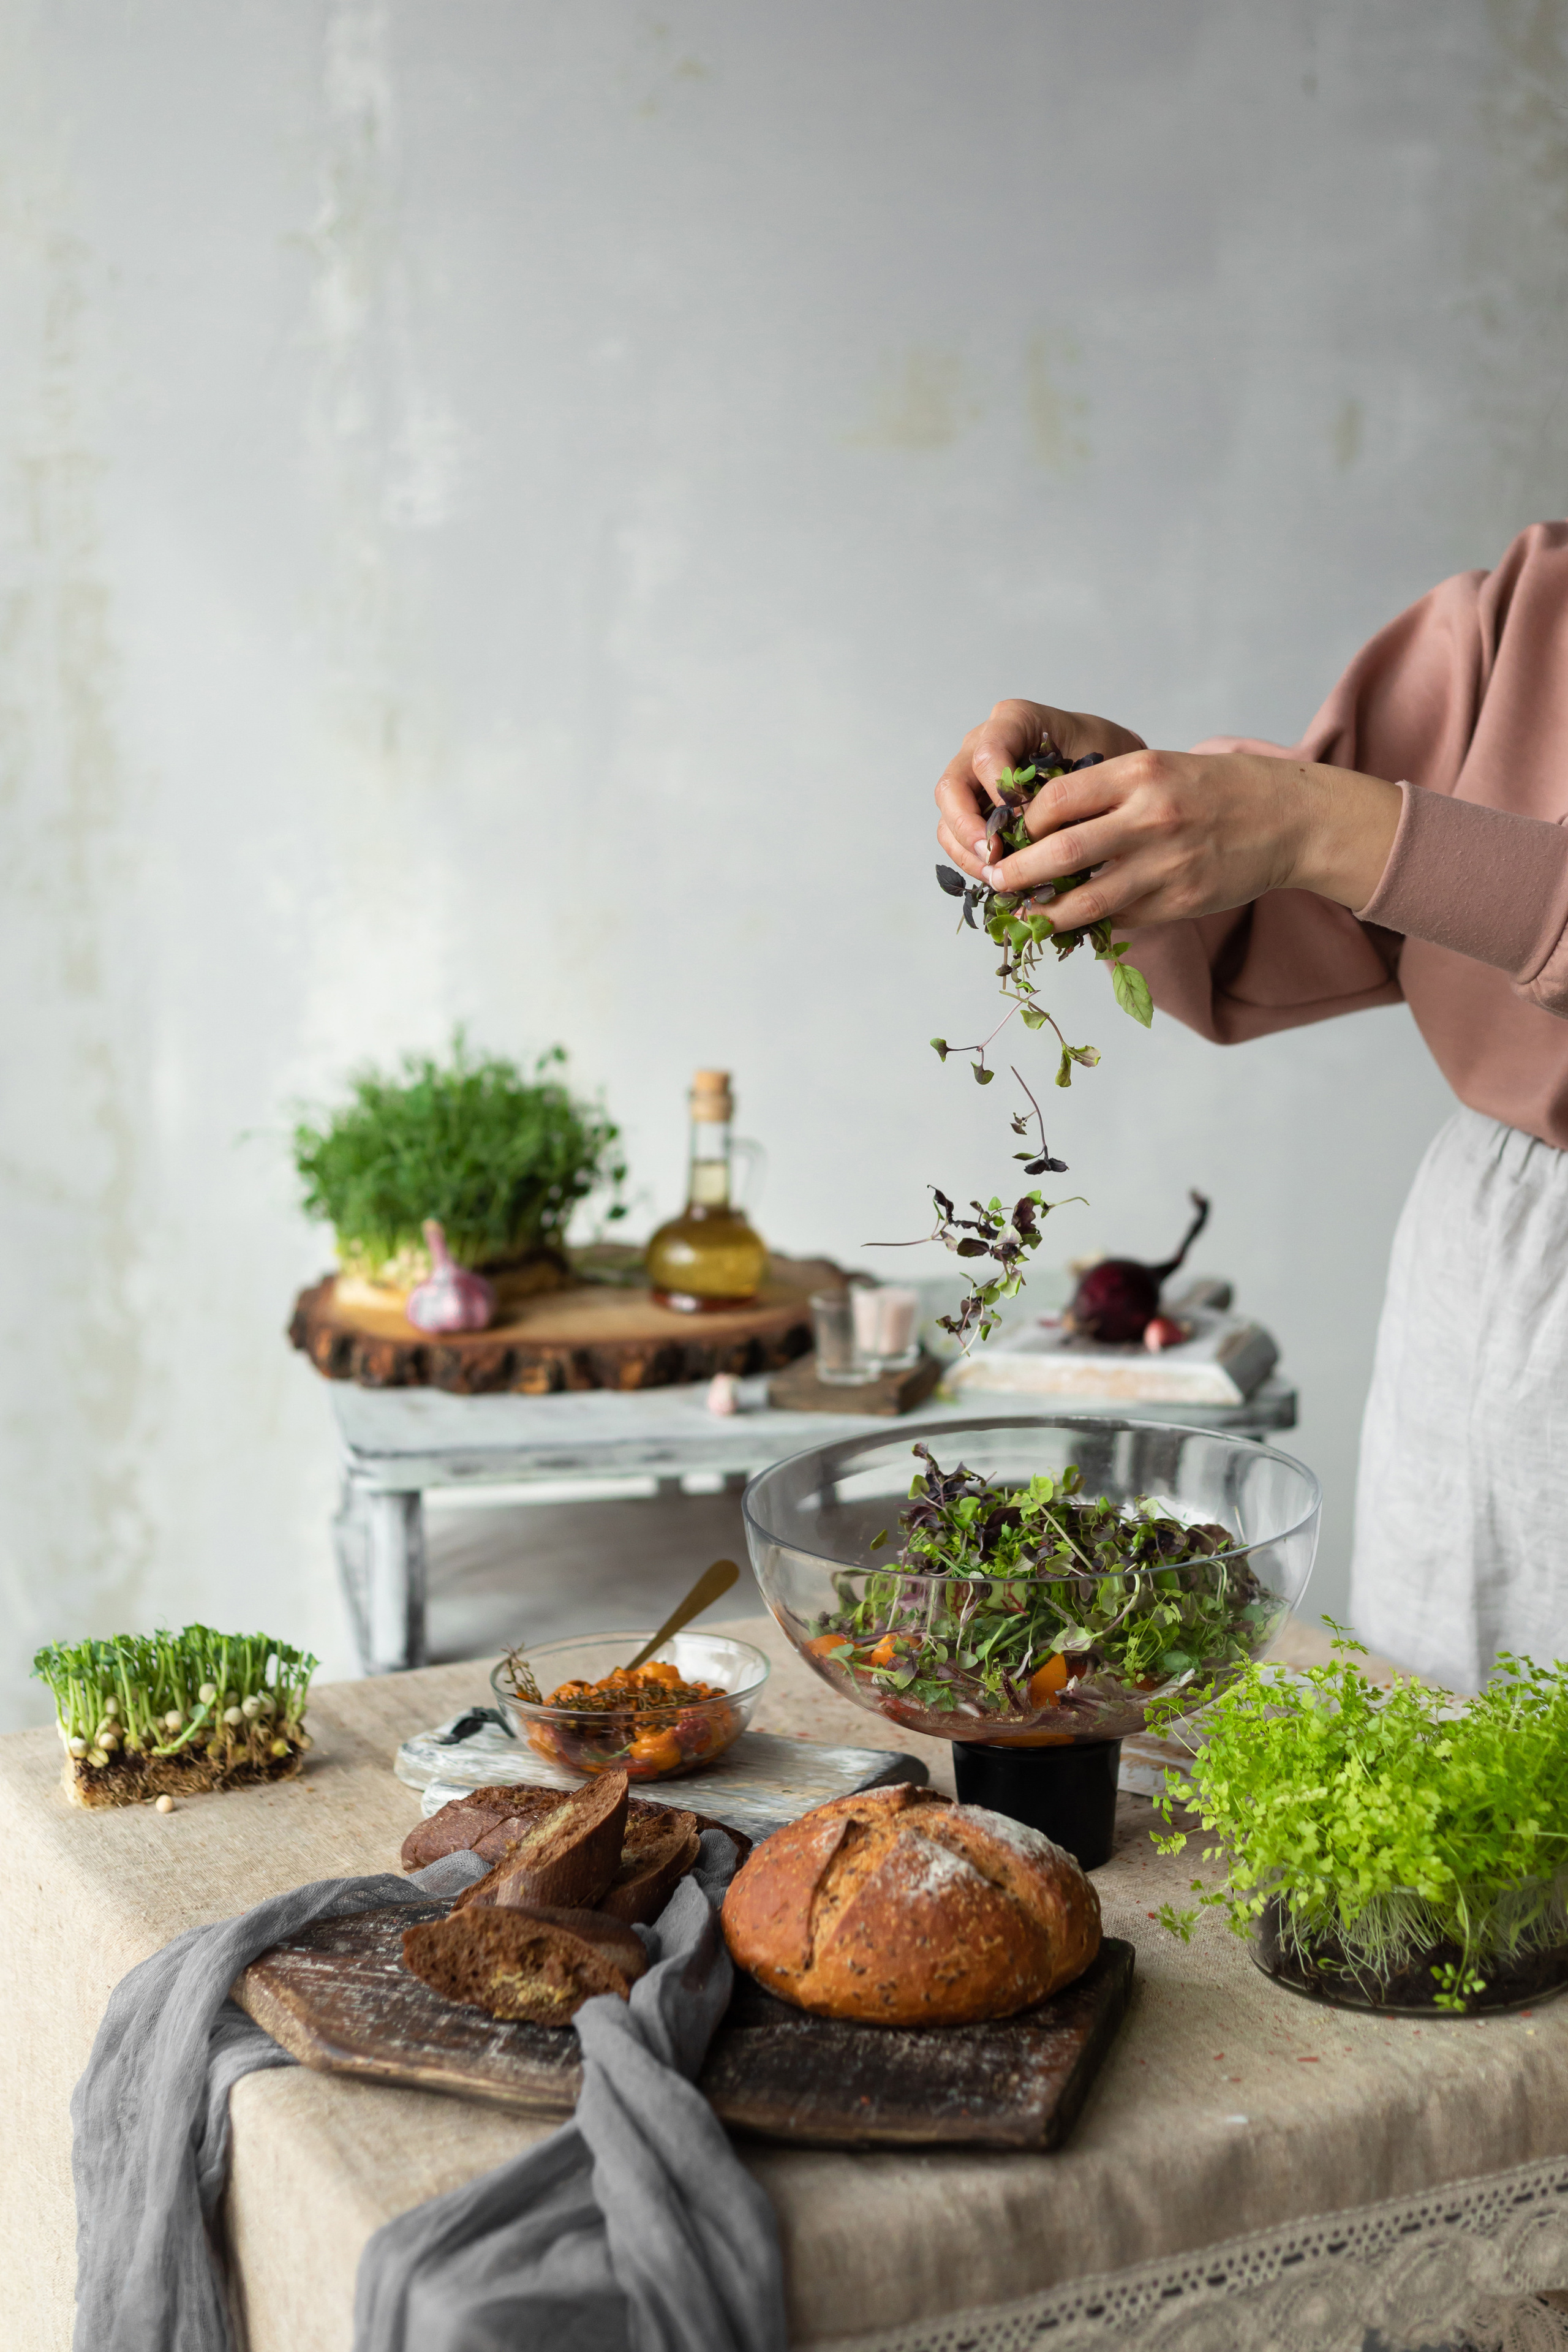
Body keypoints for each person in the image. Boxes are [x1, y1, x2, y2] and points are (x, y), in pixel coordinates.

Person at [933, 519, 1568, 1692]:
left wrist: (1307, 820)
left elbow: (1327, 828)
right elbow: (1313, 904)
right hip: (1491, 1267)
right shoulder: (1537, 605)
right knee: (1447, 1753)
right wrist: (1110, 814)